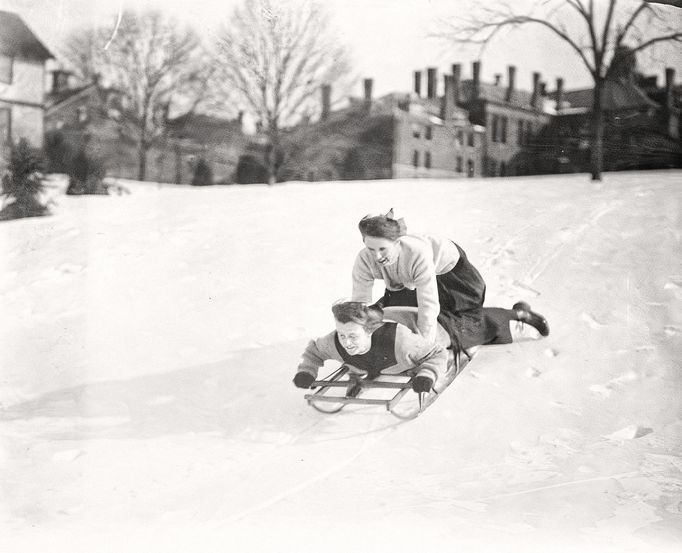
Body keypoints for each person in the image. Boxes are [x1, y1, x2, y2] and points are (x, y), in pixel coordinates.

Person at [351, 209, 549, 349]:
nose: (377, 256)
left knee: (453, 328)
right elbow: (360, 301)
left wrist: (425, 345)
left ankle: (518, 314)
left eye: (382, 249)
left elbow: (428, 305)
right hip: (408, 283)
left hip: (454, 280)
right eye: (371, 249)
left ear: (397, 242)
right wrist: (357, 335)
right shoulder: (365, 259)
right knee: (385, 314)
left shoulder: (417, 254)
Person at [293, 301, 451, 393]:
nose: (347, 343)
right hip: (383, 313)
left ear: (369, 332)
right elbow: (314, 352)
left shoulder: (402, 343)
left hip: (420, 321)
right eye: (342, 335)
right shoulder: (334, 342)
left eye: (353, 336)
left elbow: (437, 353)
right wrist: (306, 371)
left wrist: (428, 374)